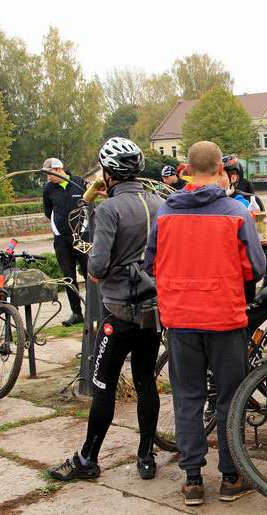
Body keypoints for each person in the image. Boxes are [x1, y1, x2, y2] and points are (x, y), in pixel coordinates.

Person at [145, 141, 266, 506]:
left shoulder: (165, 213)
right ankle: (231, 476)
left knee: (188, 397)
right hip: (224, 317)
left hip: (181, 319)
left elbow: (151, 263)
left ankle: (193, 479)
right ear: (220, 170)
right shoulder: (236, 212)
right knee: (231, 397)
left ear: (185, 169)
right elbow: (255, 268)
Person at [47, 137, 164, 482]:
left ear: (109, 173)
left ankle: (87, 459)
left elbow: (95, 266)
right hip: (152, 308)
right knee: (146, 381)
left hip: (119, 311)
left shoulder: (109, 210)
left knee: (103, 384)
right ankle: (145, 456)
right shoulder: (158, 203)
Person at [41, 157, 87, 326]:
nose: (47, 177)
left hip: (82, 236)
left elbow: (90, 204)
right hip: (61, 239)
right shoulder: (48, 189)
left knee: (90, 273)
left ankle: (94, 310)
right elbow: (48, 211)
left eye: (49, 173)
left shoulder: (79, 182)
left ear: (59, 170)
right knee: (69, 277)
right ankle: (77, 313)